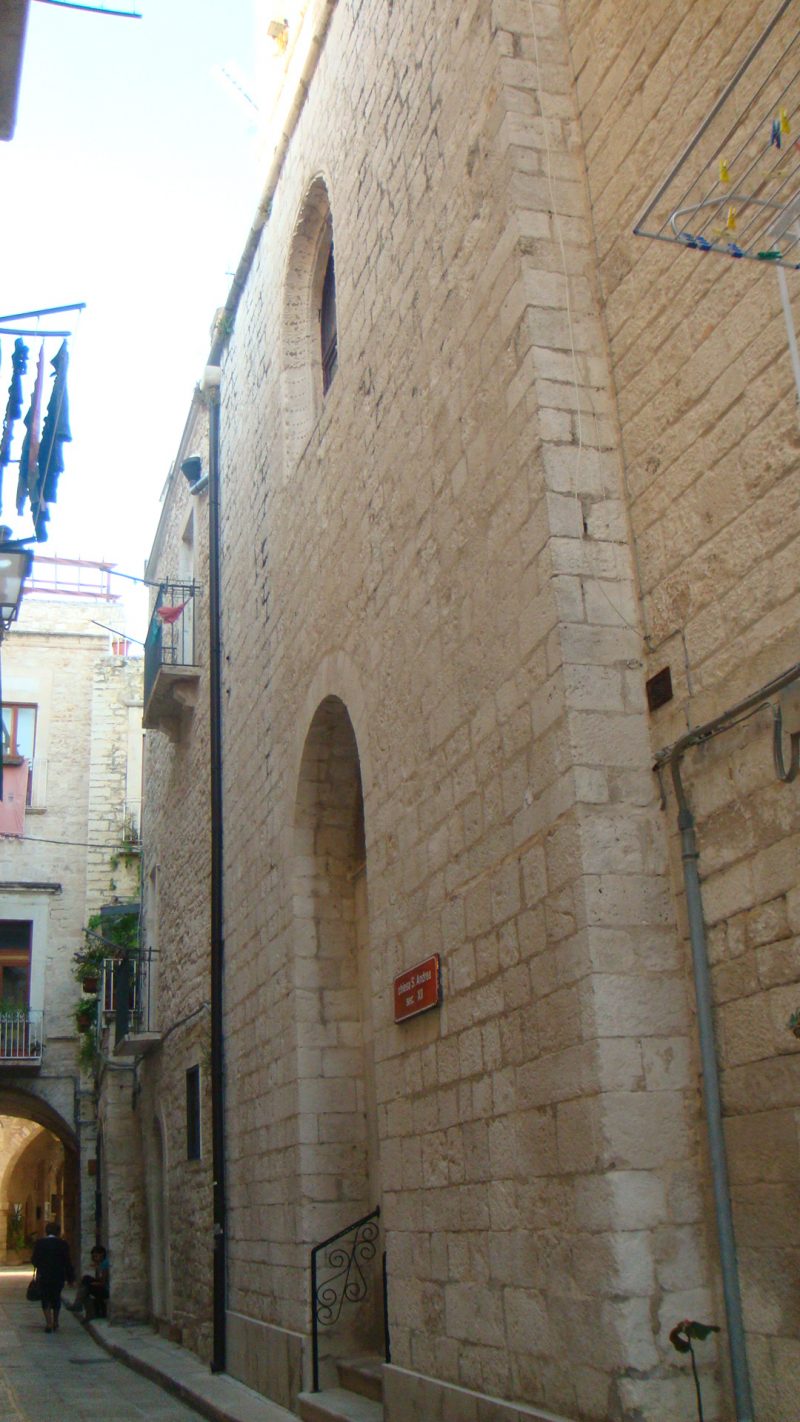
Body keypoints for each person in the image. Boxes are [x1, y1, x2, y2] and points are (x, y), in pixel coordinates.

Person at [30, 1222, 75, 1333]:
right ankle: (56, 1321)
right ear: (58, 1232)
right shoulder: (63, 1244)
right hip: (58, 1275)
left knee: (45, 1297)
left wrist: (40, 1265)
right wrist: (70, 1278)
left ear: (46, 1231)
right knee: (56, 1297)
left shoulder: (40, 1243)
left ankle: (48, 1323)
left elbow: (34, 1260)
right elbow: (67, 1262)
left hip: (44, 1275)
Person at [66, 1244, 109, 1319]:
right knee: (85, 1282)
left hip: (105, 1289)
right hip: (102, 1286)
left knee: (86, 1287)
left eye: (96, 1256)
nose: (94, 1259)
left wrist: (91, 1284)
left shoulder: (105, 1264)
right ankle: (79, 1305)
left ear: (102, 1254)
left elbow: (103, 1282)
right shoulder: (102, 1264)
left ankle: (78, 1305)